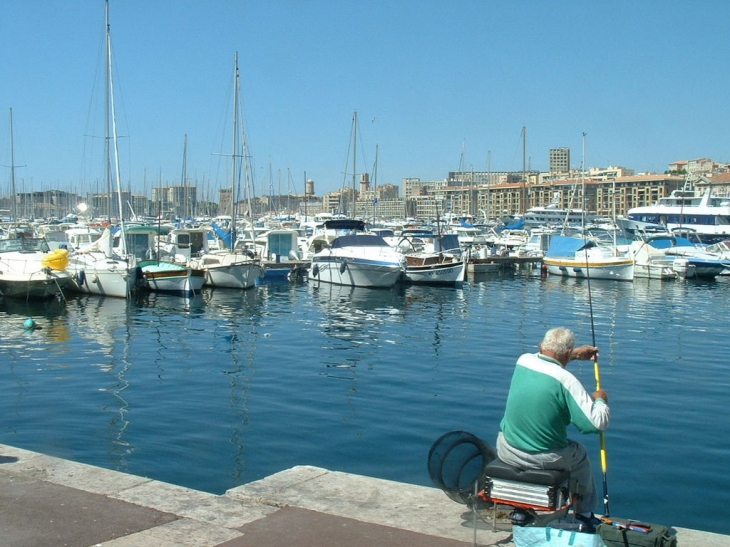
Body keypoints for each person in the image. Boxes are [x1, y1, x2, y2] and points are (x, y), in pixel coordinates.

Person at [496, 327, 609, 531]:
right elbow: (595, 424)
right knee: (579, 454)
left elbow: (551, 358)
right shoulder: (567, 380)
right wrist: (600, 401)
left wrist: (574, 354)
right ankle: (584, 514)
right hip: (542, 459)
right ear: (566, 353)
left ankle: (523, 506)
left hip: (506, 448)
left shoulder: (523, 360)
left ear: (541, 345)